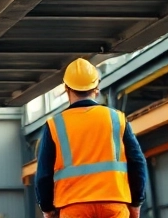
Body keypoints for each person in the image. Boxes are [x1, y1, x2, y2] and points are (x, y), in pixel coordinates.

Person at [36, 58, 148, 218]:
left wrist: (47, 208)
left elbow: (44, 174)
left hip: (74, 207)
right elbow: (137, 162)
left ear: (66, 88)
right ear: (96, 87)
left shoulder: (55, 125)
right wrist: (136, 203)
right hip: (113, 204)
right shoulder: (116, 119)